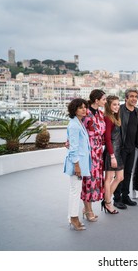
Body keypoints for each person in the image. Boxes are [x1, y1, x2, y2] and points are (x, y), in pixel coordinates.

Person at [63, 98, 91, 231]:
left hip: (80, 162)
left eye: (85, 107)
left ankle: (71, 217)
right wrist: (77, 166)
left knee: (74, 190)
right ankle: (74, 218)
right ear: (74, 110)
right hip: (77, 164)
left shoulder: (79, 122)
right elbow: (73, 148)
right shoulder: (74, 125)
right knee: (75, 191)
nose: (84, 109)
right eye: (81, 107)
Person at [113, 88, 138, 209]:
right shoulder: (120, 110)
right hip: (121, 147)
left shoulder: (136, 111)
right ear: (126, 98)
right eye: (131, 96)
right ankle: (116, 198)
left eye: (136, 96)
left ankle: (125, 196)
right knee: (119, 175)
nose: (134, 98)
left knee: (128, 173)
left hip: (131, 147)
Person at [82, 89, 106, 221]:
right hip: (88, 151)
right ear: (96, 100)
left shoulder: (100, 113)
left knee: (95, 180)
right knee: (88, 180)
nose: (105, 101)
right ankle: (88, 209)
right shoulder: (86, 114)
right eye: (103, 99)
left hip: (98, 151)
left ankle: (87, 208)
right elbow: (80, 130)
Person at [101, 95, 124, 214]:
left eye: (118, 104)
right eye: (114, 104)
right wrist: (112, 156)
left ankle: (106, 200)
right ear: (108, 106)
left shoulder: (115, 118)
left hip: (117, 151)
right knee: (109, 178)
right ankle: (108, 203)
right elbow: (108, 139)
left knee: (120, 177)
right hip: (112, 153)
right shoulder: (108, 118)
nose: (117, 106)